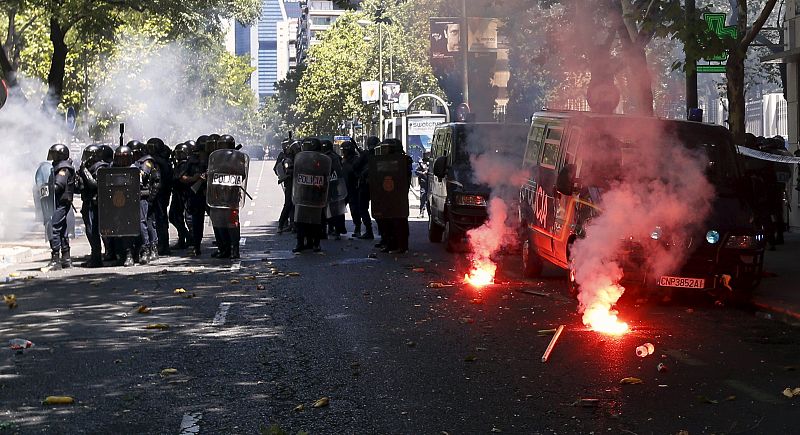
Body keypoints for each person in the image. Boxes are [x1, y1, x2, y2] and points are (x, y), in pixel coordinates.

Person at [76, 144, 110, 267]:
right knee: (90, 231)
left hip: (96, 204)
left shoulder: (101, 167)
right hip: (88, 202)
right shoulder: (89, 168)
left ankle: (97, 258)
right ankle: (95, 256)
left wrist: (84, 171)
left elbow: (95, 184)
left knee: (94, 231)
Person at [44, 143, 76, 270]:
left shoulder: (63, 169)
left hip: (61, 203)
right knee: (62, 230)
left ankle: (56, 259)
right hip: (60, 202)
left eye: (55, 154)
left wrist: (45, 188)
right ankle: (66, 259)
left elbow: (59, 186)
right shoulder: (61, 167)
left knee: (54, 228)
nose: (53, 157)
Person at [130, 140, 161, 264]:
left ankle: (150, 248)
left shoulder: (147, 161)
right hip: (141, 197)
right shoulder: (137, 162)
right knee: (147, 222)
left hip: (147, 197)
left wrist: (151, 198)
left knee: (146, 223)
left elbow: (143, 174)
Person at [181, 136, 209, 256]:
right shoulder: (192, 161)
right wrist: (196, 178)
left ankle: (225, 246)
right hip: (197, 194)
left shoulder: (214, 159)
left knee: (219, 220)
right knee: (197, 222)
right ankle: (196, 245)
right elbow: (182, 177)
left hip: (212, 194)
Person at [147, 138, 173, 256]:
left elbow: (157, 181)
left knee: (158, 220)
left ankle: (162, 245)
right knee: (161, 219)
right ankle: (163, 245)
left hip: (159, 194)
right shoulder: (164, 161)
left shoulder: (156, 161)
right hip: (164, 193)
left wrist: (151, 198)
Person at [353, 136, 380, 240]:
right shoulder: (380, 154)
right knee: (378, 208)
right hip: (378, 185)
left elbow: (355, 166)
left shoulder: (366, 154)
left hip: (365, 185)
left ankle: (369, 231)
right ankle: (382, 231)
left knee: (363, 208)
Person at [169, 142, 193, 250]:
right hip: (177, 193)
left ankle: (187, 238)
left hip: (184, 194)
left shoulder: (185, 164)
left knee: (184, 218)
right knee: (174, 217)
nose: (178, 156)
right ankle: (184, 237)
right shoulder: (179, 164)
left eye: (181, 153)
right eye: (177, 153)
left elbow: (180, 178)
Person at [322, 139, 347, 238]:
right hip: (335, 185)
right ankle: (336, 229)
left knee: (330, 208)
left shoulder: (327, 157)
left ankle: (334, 229)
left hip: (330, 185)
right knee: (336, 208)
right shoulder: (335, 156)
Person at [277, 140, 300, 233]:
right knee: (288, 204)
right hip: (291, 183)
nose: (297, 150)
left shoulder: (302, 158)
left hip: (300, 184)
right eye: (295, 149)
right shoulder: (288, 159)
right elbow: (287, 171)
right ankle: (281, 224)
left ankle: (295, 225)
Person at [341, 140, 362, 237]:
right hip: (343, 187)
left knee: (354, 209)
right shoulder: (343, 160)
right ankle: (340, 227)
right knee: (340, 209)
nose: (343, 153)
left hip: (353, 188)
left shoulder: (356, 160)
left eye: (344, 151)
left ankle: (357, 227)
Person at [416, 151, 430, 218]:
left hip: (431, 183)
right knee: (423, 197)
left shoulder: (432, 162)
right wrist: (423, 173)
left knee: (430, 199)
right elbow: (416, 171)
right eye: (426, 154)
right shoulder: (421, 162)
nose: (427, 155)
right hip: (424, 182)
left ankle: (430, 213)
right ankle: (421, 212)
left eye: (428, 153)